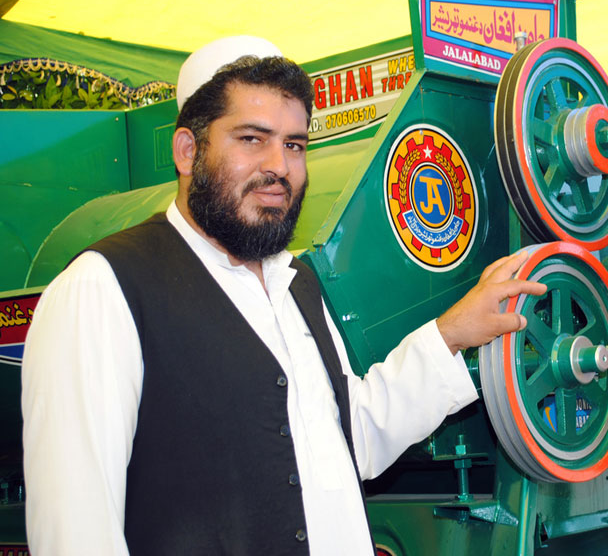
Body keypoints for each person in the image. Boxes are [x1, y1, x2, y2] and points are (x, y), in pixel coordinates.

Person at [21, 36, 545, 555]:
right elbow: (76, 530)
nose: (280, 166)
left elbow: (351, 438)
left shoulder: (295, 283)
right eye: (252, 139)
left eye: (294, 144)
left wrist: (453, 332)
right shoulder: (101, 289)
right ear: (187, 150)